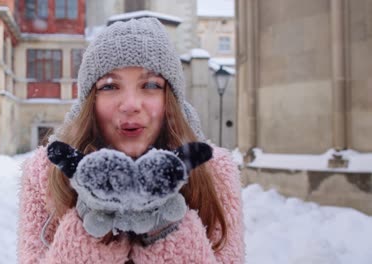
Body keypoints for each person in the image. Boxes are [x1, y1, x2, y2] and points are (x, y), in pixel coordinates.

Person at [17, 17, 244, 263]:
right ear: (90, 101)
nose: (130, 105)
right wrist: (94, 226)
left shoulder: (213, 171)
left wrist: (163, 228)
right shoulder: (47, 174)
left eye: (150, 84)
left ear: (171, 99)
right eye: (110, 86)